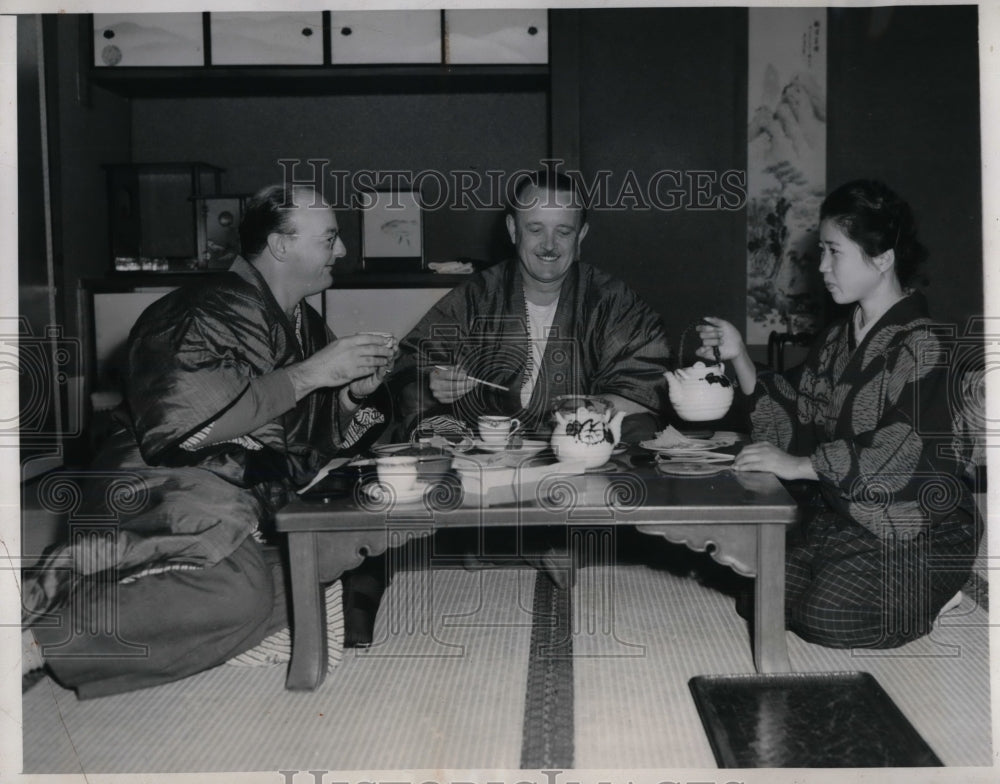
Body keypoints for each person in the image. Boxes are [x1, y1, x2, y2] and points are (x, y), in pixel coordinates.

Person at [21, 183, 398, 697]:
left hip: (236, 487)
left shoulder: (302, 322)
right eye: (330, 237)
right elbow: (191, 425)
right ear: (281, 245)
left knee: (328, 559)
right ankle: (40, 639)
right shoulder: (196, 310)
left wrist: (351, 394)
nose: (344, 250)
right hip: (162, 480)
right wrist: (310, 375)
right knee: (242, 595)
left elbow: (305, 438)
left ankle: (148, 618)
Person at [696, 179, 980, 649]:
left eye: (834, 252)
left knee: (830, 617)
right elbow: (798, 412)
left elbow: (903, 450)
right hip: (849, 513)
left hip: (918, 526)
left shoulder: (924, 344)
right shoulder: (837, 339)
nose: (822, 267)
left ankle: (937, 588)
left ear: (883, 258)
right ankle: (854, 571)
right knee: (758, 592)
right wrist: (738, 357)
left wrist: (801, 466)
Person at [393, 168, 672, 437]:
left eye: (563, 232)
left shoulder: (614, 302)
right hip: (488, 457)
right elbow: (407, 372)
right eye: (536, 229)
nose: (549, 245)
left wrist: (581, 410)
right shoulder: (476, 297)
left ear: (581, 236)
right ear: (513, 230)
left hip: (586, 455)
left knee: (641, 427)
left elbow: (647, 392)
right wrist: (433, 385)